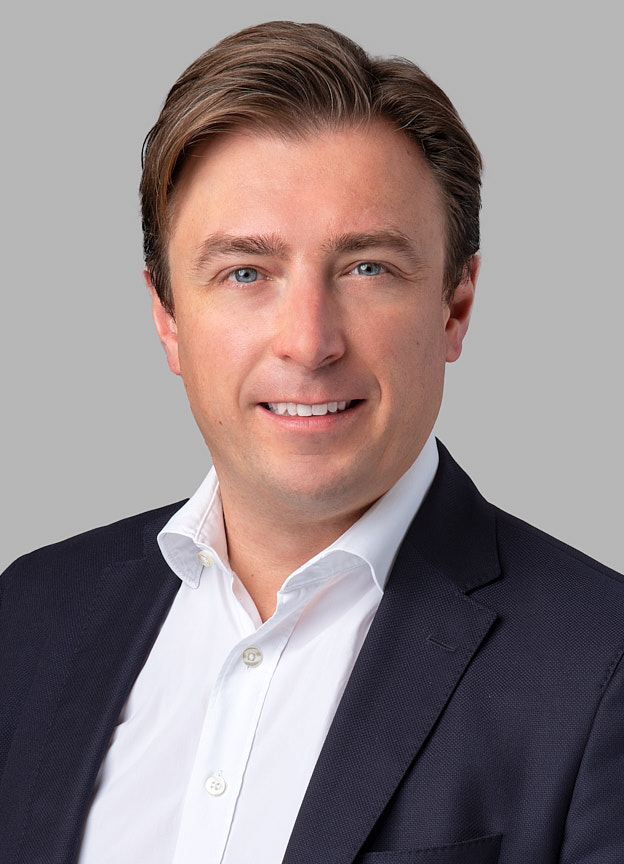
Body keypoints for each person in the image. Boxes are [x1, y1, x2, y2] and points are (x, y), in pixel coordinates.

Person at [1, 20, 623, 864]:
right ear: (167, 317)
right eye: (245, 273)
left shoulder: (599, 664)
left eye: (368, 268)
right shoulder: (31, 614)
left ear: (455, 307)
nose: (308, 341)